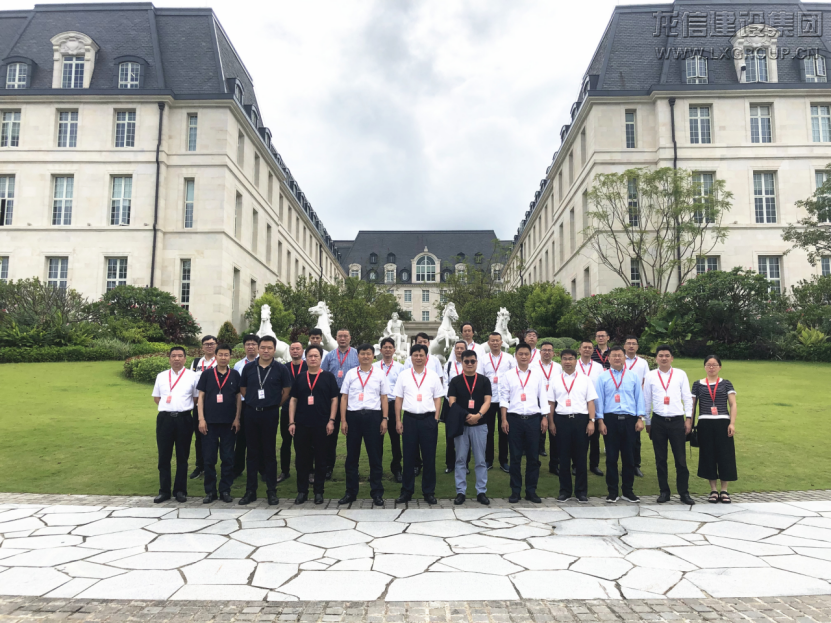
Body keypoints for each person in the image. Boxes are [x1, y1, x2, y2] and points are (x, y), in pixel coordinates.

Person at [239, 336, 292, 506]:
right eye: (263, 347)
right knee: (252, 453)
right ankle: (250, 491)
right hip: (251, 413)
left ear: (274, 350)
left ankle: (271, 491)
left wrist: (274, 405)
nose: (266, 350)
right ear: (258, 349)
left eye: (269, 348)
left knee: (269, 452)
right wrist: (253, 401)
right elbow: (243, 388)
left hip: (270, 414)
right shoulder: (248, 368)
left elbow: (286, 391)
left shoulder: (281, 369)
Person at [643, 345, 695, 505]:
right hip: (658, 421)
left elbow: (687, 397)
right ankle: (664, 492)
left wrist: (688, 418)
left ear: (672, 358)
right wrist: (648, 421)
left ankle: (684, 493)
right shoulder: (650, 376)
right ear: (656, 358)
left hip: (677, 421)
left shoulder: (680, 374)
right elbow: (647, 400)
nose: (664, 358)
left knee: (680, 459)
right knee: (660, 459)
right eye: (661, 355)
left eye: (667, 355)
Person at [339, 343, 389, 506]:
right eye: (362, 353)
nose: (365, 356)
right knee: (352, 457)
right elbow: (344, 397)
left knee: (375, 457)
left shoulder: (380, 374)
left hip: (373, 417)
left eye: (368, 354)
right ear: (358, 356)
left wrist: (384, 418)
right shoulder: (351, 373)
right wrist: (343, 420)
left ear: (373, 356)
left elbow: (384, 397)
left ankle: (377, 493)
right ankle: (350, 492)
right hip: (353, 417)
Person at [288, 344, 340, 504]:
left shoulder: (328, 377)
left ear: (320, 358)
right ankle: (302, 491)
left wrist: (331, 420)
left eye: (316, 356)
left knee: (321, 459)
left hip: (322, 424)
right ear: (306, 358)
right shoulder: (300, 377)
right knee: (302, 460)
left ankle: (319, 491)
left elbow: (334, 400)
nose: (312, 359)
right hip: (302, 424)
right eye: (310, 356)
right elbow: (293, 400)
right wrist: (291, 421)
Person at [595, 346, 646, 503]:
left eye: (620, 355)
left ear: (624, 358)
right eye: (614, 356)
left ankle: (628, 491)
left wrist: (640, 418)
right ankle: (612, 492)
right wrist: (600, 421)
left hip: (630, 420)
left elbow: (639, 398)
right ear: (609, 359)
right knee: (611, 458)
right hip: (610, 420)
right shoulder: (603, 377)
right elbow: (599, 401)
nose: (617, 358)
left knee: (629, 457)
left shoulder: (633, 376)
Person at [394, 343, 444, 505]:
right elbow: (398, 399)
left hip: (428, 420)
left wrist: (436, 417)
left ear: (426, 357)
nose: (418, 358)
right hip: (409, 420)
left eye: (421, 355)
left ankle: (428, 492)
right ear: (411, 357)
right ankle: (406, 491)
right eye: (415, 355)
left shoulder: (433, 376)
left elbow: (438, 398)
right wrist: (398, 420)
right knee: (408, 457)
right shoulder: (404, 375)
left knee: (429, 457)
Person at [500, 343, 549, 504]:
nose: (523, 356)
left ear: (530, 356)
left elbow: (543, 397)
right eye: (520, 354)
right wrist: (504, 419)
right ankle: (515, 491)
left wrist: (544, 417)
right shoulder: (508, 375)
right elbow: (504, 398)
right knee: (515, 457)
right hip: (514, 419)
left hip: (533, 419)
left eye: (526, 354)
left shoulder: (537, 375)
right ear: (516, 356)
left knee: (533, 457)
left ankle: (531, 491)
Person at [547, 348, 598, 503]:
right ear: (561, 361)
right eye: (565, 359)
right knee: (563, 457)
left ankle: (581, 492)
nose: (567, 362)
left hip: (581, 420)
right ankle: (565, 491)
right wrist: (551, 422)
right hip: (561, 420)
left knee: (581, 457)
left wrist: (591, 421)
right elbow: (551, 403)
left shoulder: (585, 379)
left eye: (570, 359)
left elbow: (590, 402)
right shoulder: (555, 380)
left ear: (576, 361)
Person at [151, 347, 199, 503]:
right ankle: (164, 491)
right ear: (169, 358)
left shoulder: (193, 376)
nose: (176, 359)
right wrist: (169, 407)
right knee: (164, 456)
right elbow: (157, 398)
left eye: (180, 356)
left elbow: (196, 398)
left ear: (185, 359)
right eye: (173, 356)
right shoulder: (161, 376)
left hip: (184, 419)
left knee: (182, 456)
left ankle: (180, 490)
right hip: (165, 419)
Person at [196, 344, 241, 504]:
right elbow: (201, 397)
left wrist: (237, 418)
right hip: (209, 423)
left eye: (226, 355)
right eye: (220, 354)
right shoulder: (207, 374)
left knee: (228, 458)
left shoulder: (235, 375)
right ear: (215, 356)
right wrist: (201, 419)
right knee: (209, 459)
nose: (223, 357)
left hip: (229, 424)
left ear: (230, 357)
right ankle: (210, 491)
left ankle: (225, 490)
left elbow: (238, 398)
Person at [447, 349, 492, 505]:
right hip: (461, 425)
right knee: (460, 460)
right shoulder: (455, 381)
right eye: (466, 361)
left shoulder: (484, 380)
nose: (470, 364)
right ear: (462, 362)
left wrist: (478, 415)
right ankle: (460, 492)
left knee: (480, 460)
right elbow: (451, 402)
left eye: (473, 361)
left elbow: (488, 401)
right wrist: (466, 416)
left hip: (480, 424)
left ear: (476, 362)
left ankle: (481, 492)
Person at [691, 355, 738, 504]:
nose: (711, 367)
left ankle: (724, 490)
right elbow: (692, 405)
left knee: (725, 455)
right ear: (705, 367)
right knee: (708, 455)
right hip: (704, 422)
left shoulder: (726, 383)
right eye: (708, 365)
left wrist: (732, 423)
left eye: (714, 365)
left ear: (720, 367)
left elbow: (733, 404)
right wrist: (689, 423)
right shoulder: (697, 384)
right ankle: (713, 490)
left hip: (723, 422)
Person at [403, 332, 446, 475]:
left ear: (429, 343)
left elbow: (439, 381)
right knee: (411, 446)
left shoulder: (435, 361)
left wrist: (436, 416)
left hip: (429, 405)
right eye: (419, 342)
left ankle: (428, 481)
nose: (422, 344)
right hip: (412, 406)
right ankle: (416, 465)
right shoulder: (409, 361)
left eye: (425, 342)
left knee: (428, 448)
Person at [321, 329, 359, 479]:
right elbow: (323, 375)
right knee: (331, 435)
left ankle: (352, 468)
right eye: (340, 336)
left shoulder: (357, 354)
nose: (342, 338)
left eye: (345, 336)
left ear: (350, 338)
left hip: (352, 397)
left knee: (353, 435)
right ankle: (328, 467)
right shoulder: (330, 356)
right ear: (336, 338)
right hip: (333, 396)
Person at [477, 332, 515, 473]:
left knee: (504, 431)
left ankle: (504, 461)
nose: (494, 343)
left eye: (497, 340)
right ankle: (488, 460)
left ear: (501, 342)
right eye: (492, 341)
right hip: (489, 400)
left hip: (505, 399)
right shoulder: (483, 359)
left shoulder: (509, 358)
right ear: (488, 343)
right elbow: (480, 378)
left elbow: (514, 377)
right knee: (488, 431)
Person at [375, 337, 405, 482]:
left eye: (390, 347)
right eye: (385, 347)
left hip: (394, 405)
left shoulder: (400, 368)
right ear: (381, 350)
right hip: (377, 406)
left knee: (395, 439)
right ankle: (377, 470)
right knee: (376, 440)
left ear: (394, 350)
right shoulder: (374, 367)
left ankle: (397, 469)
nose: (387, 350)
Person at [189, 335, 218, 480]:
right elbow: (190, 382)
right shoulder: (196, 362)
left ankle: (211, 467)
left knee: (213, 438)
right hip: (198, 404)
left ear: (216, 345)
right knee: (199, 437)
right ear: (202, 346)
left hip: (214, 405)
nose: (209, 346)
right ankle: (200, 466)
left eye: (212, 344)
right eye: (206, 344)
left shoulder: (220, 361)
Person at [232, 334, 260, 479]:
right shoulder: (238, 365)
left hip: (259, 404)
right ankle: (238, 468)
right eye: (248, 344)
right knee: (241, 438)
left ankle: (262, 469)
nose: (250, 347)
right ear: (244, 347)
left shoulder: (264, 363)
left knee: (260, 439)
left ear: (258, 346)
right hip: (243, 404)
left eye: (253, 344)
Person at [279, 342, 307, 484]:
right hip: (286, 409)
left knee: (305, 443)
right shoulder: (284, 368)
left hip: (304, 410)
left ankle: (308, 471)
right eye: (292, 349)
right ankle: (285, 471)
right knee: (286, 442)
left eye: (298, 348)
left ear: (302, 351)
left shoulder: (308, 366)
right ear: (289, 351)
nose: (295, 351)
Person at [577, 339, 605, 477]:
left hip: (594, 404)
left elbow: (600, 387)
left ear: (593, 350)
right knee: (578, 439)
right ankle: (577, 465)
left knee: (594, 438)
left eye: (589, 347)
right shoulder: (574, 364)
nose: (587, 349)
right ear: (580, 350)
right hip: (578, 405)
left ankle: (594, 465)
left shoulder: (598, 367)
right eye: (585, 347)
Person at [624, 335, 650, 478]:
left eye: (634, 343)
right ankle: (625, 465)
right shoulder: (619, 360)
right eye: (628, 343)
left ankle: (636, 465)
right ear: (624, 346)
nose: (631, 346)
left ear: (637, 347)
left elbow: (646, 380)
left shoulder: (642, 363)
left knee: (635, 436)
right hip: (621, 402)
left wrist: (639, 391)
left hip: (636, 401)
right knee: (621, 437)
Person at [442, 340, 470, 474]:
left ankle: (465, 464)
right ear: (454, 350)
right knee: (450, 434)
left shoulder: (469, 364)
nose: (459, 350)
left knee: (466, 434)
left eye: (461, 348)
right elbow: (445, 384)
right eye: (457, 348)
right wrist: (451, 400)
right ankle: (450, 463)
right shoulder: (449, 365)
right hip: (451, 404)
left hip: (466, 404)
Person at [537, 341, 563, 464]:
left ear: (553, 353)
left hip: (554, 402)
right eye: (544, 350)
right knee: (537, 432)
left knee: (554, 432)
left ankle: (554, 462)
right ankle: (536, 459)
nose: (546, 352)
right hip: (538, 402)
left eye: (549, 350)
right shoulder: (533, 367)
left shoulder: (558, 367)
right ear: (540, 352)